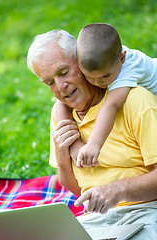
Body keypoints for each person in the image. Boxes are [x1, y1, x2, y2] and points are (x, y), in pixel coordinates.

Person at [27, 29, 157, 238]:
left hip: (145, 212)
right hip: (96, 219)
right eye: (49, 82)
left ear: (81, 61)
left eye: (63, 72)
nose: (60, 87)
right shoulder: (61, 115)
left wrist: (117, 190)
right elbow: (80, 192)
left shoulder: (134, 100)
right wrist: (62, 157)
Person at [54, 23, 157, 169]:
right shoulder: (107, 60)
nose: (99, 83)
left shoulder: (128, 70)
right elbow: (61, 103)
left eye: (105, 76)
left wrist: (94, 145)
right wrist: (75, 144)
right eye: (89, 77)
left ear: (122, 58)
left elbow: (111, 106)